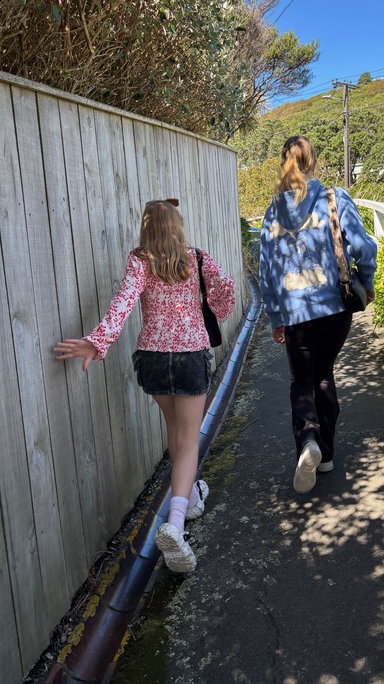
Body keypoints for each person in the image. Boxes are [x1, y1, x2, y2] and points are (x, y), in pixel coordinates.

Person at [54, 199, 235, 573]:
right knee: (188, 441)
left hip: (152, 359)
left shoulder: (140, 260)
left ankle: (190, 497)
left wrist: (97, 342)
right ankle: (175, 525)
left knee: (176, 432)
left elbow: (122, 305)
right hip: (190, 357)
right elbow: (225, 298)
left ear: (146, 228)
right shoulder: (196, 259)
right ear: (178, 226)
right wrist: (215, 292)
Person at [259, 136, 377, 494]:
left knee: (302, 380)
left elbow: (266, 271)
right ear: (313, 161)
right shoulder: (333, 197)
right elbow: (364, 246)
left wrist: (276, 316)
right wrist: (367, 280)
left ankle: (308, 438)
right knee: (324, 374)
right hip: (334, 307)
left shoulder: (272, 211)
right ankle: (325, 454)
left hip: (296, 313)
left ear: (284, 161)